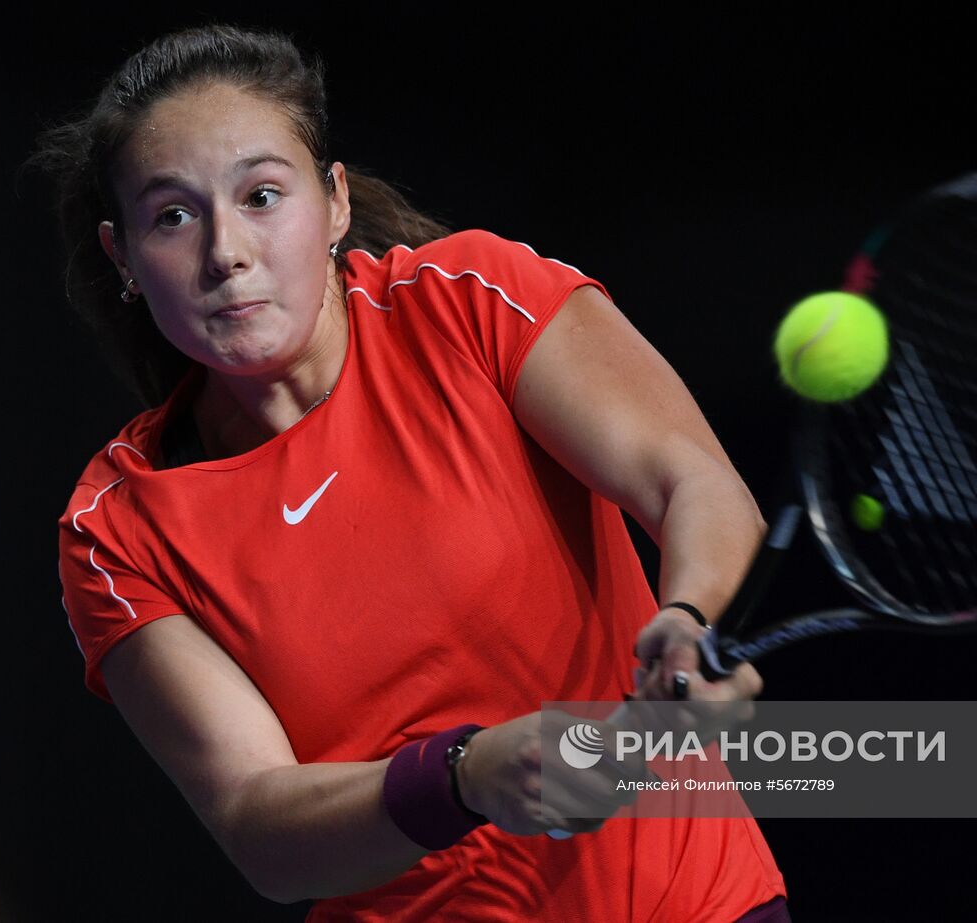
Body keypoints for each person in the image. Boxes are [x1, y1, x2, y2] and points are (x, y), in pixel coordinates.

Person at [39, 24, 789, 922]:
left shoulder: (470, 298)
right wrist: (465, 777)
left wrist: (691, 619)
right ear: (123, 256)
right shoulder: (117, 530)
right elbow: (259, 825)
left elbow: (693, 486)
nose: (226, 251)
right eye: (173, 215)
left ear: (335, 203)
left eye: (263, 195)